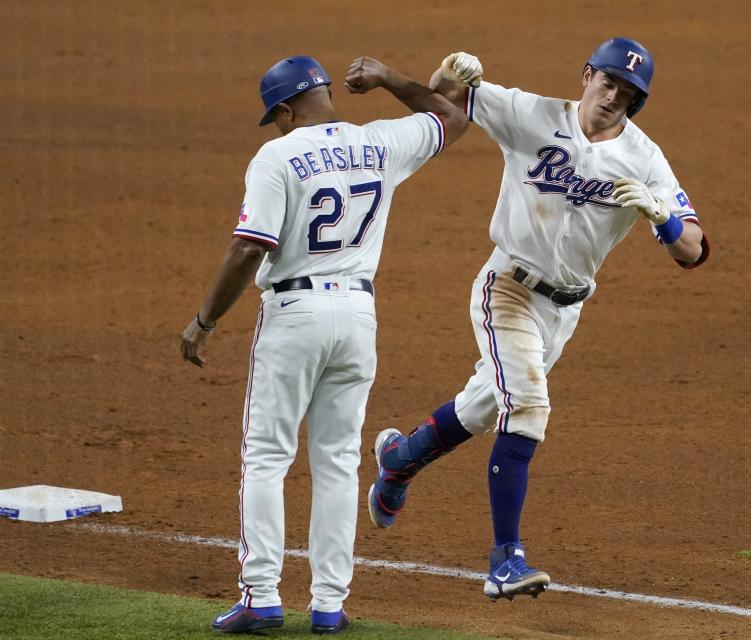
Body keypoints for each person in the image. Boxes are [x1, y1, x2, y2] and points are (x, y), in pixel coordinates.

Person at [367, 38, 710, 602]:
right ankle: (505, 560)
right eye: (607, 83)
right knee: (527, 406)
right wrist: (451, 69)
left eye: (627, 94)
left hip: (565, 311)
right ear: (586, 75)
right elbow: (441, 98)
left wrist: (663, 217)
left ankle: (399, 461)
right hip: (508, 288)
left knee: (485, 407)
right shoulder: (532, 116)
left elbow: (693, 250)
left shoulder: (645, 159)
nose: (613, 97)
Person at [180, 54, 467, 634]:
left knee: (266, 457)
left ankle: (261, 596)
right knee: (337, 462)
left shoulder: (277, 155)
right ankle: (329, 605)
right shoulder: (380, 142)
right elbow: (450, 116)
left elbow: (247, 248)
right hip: (359, 315)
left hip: (294, 313)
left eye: (277, 116)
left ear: (285, 110)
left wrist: (205, 321)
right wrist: (387, 79)